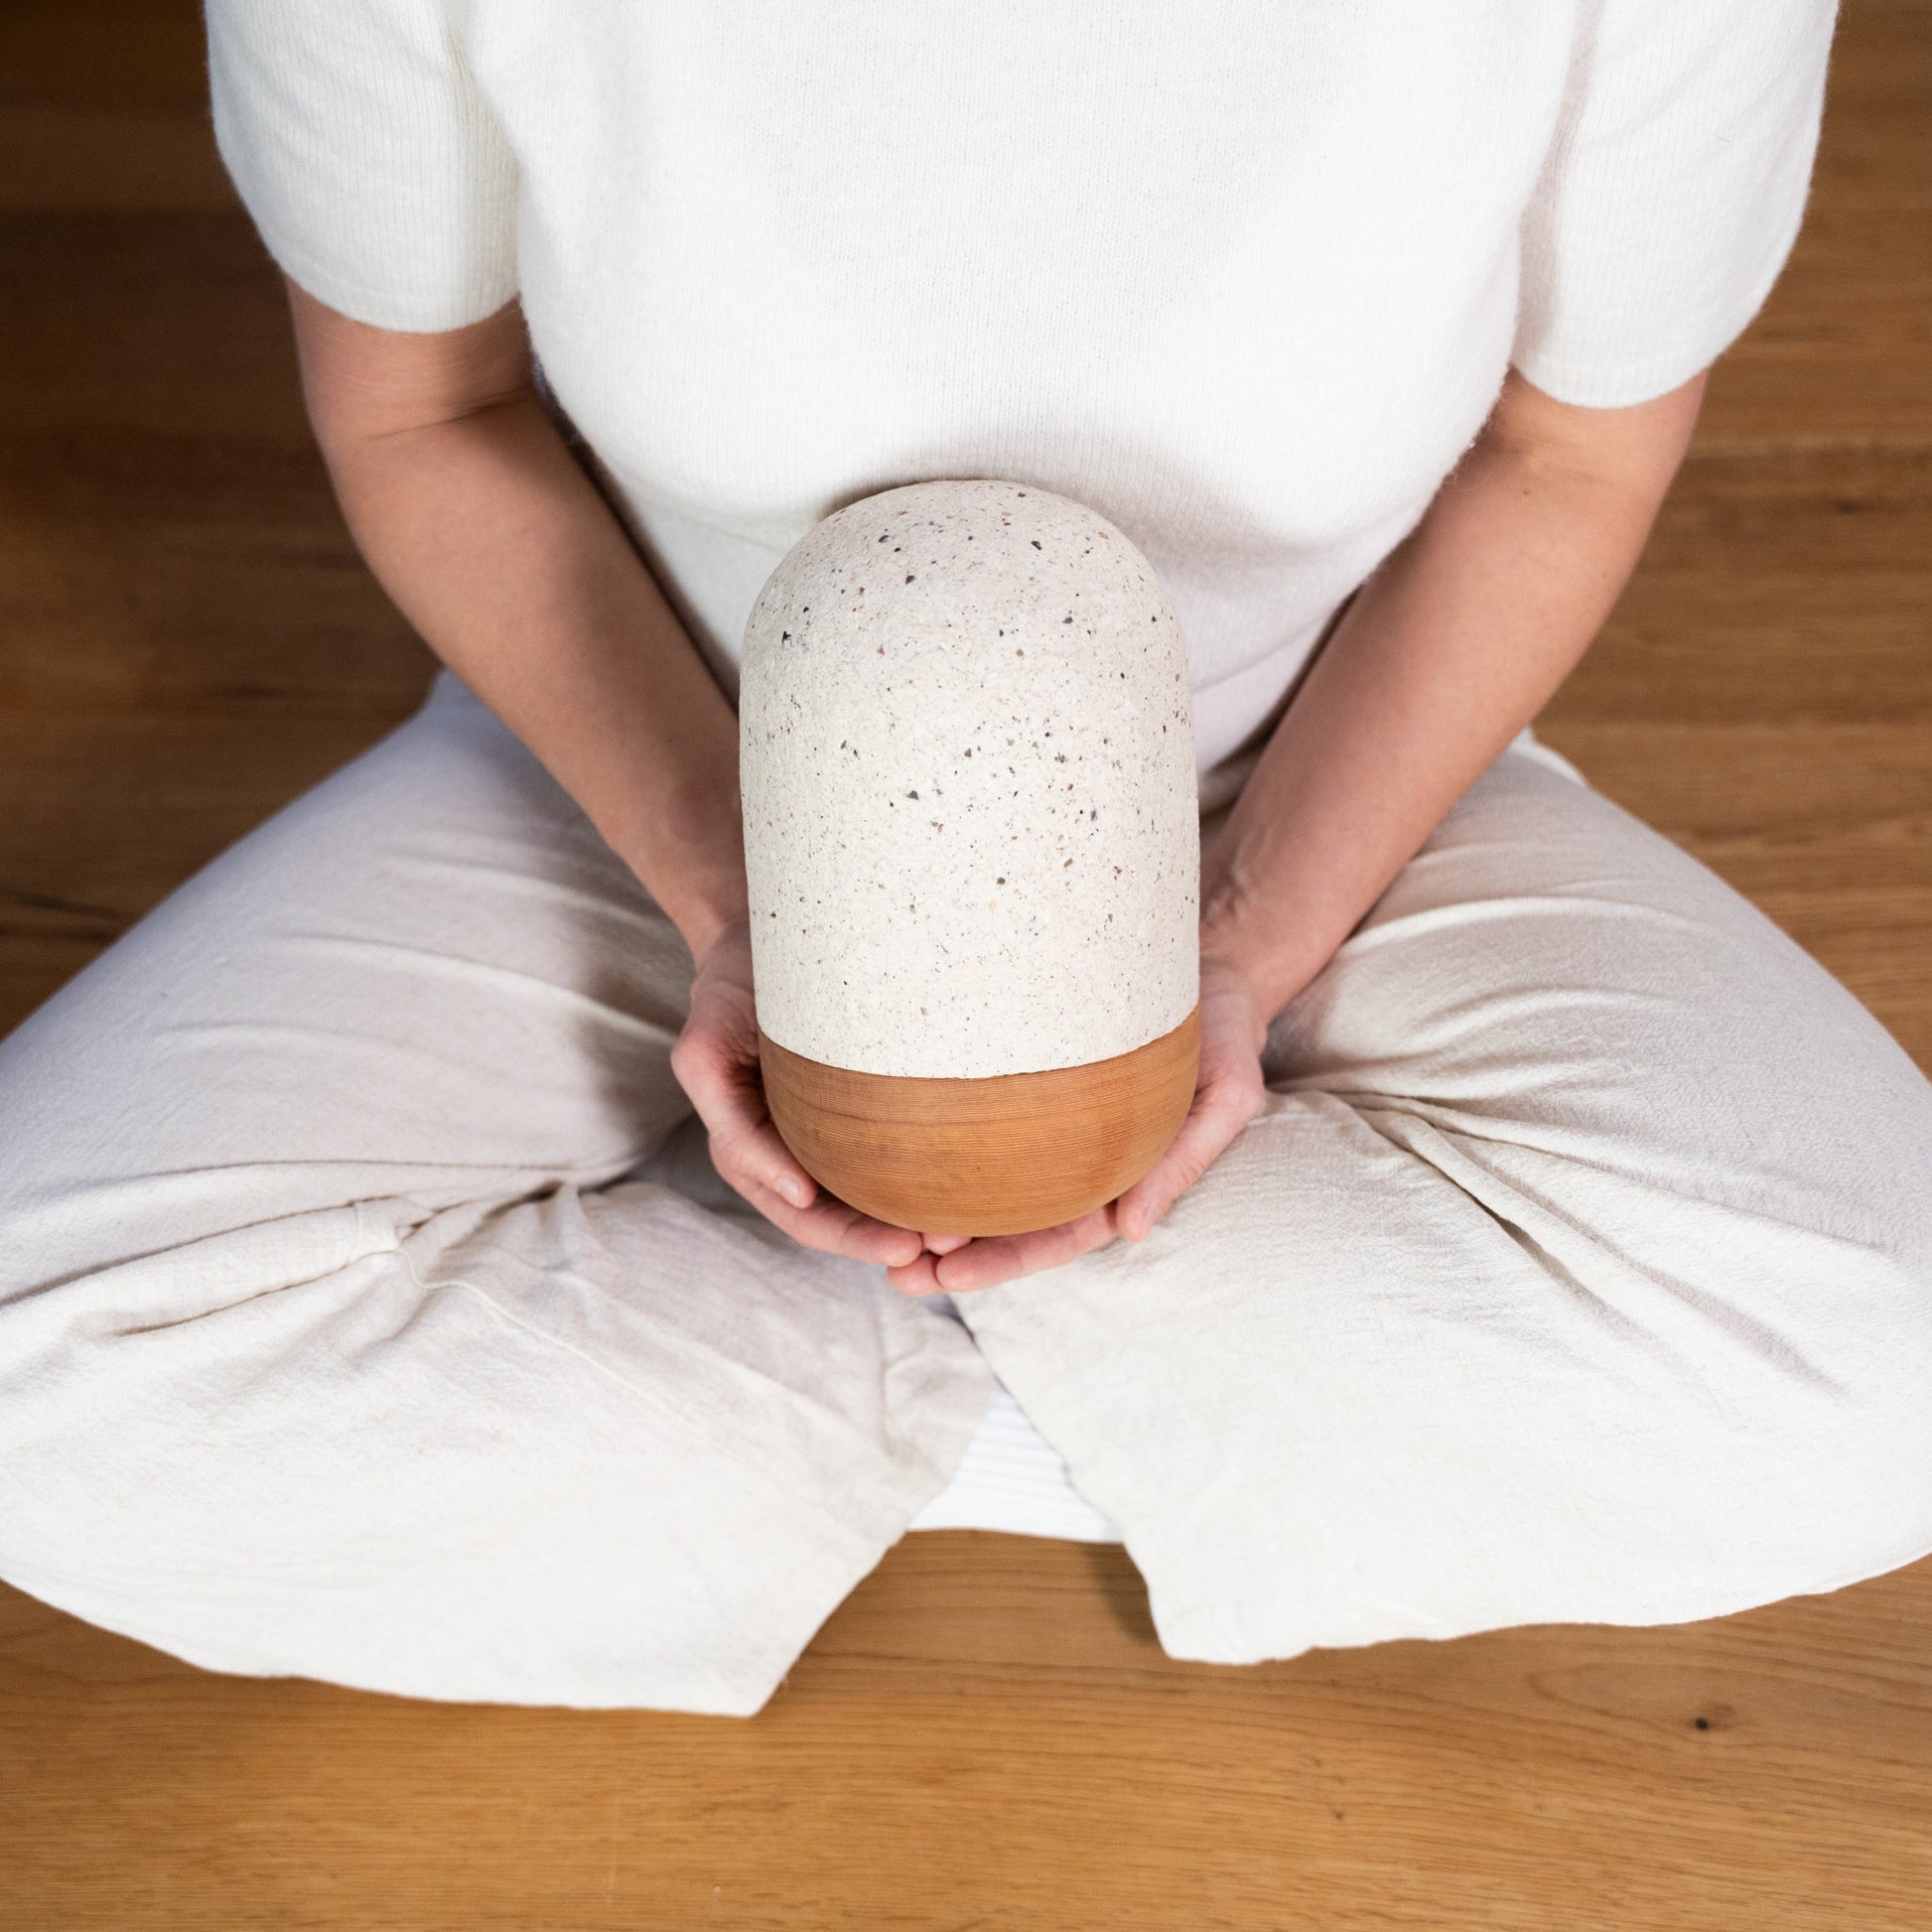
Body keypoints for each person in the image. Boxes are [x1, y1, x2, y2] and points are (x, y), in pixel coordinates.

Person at [1, 0, 1927, 1719]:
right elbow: (429, 414)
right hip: (675, 743)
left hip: (1301, 757)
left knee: (1890, 1381)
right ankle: (1116, 1373)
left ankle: (789, 1312)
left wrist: (1241, 948)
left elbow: (1568, 458)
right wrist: (751, 916)